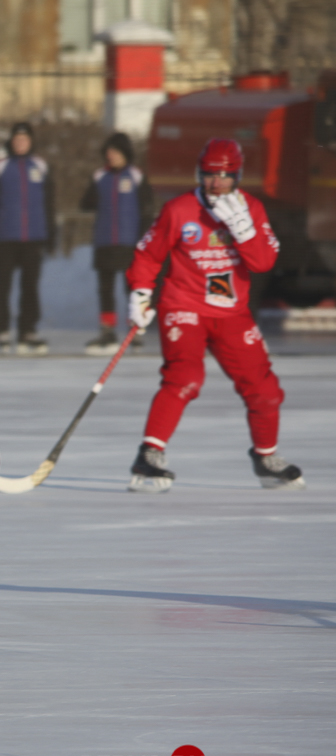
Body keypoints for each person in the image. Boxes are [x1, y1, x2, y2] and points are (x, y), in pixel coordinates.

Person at [126, 138, 302, 493]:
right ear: (199, 174)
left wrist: (244, 232)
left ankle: (266, 457)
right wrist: (141, 292)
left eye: (224, 176)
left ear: (237, 176)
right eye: (209, 175)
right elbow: (148, 254)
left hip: (232, 312)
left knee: (265, 390)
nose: (216, 183)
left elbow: (264, 261)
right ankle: (150, 455)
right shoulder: (179, 210)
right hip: (183, 306)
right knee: (185, 376)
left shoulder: (251, 208)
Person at [0, 121, 56, 355]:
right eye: (17, 139)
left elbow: (49, 202)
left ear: (31, 141)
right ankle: (2, 330)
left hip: (34, 237)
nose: (20, 143)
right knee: (3, 286)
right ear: (11, 142)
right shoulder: (0, 166)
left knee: (30, 287)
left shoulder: (41, 166)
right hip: (5, 236)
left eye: (24, 139)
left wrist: (51, 233)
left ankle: (27, 331)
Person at [80, 132, 154, 355]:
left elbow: (146, 210)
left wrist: (143, 240)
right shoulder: (100, 176)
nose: (111, 156)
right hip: (104, 241)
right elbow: (85, 203)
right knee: (106, 289)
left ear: (124, 154)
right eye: (108, 152)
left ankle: (136, 329)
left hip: (129, 242)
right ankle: (107, 331)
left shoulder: (136, 176)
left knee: (132, 289)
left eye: (115, 152)